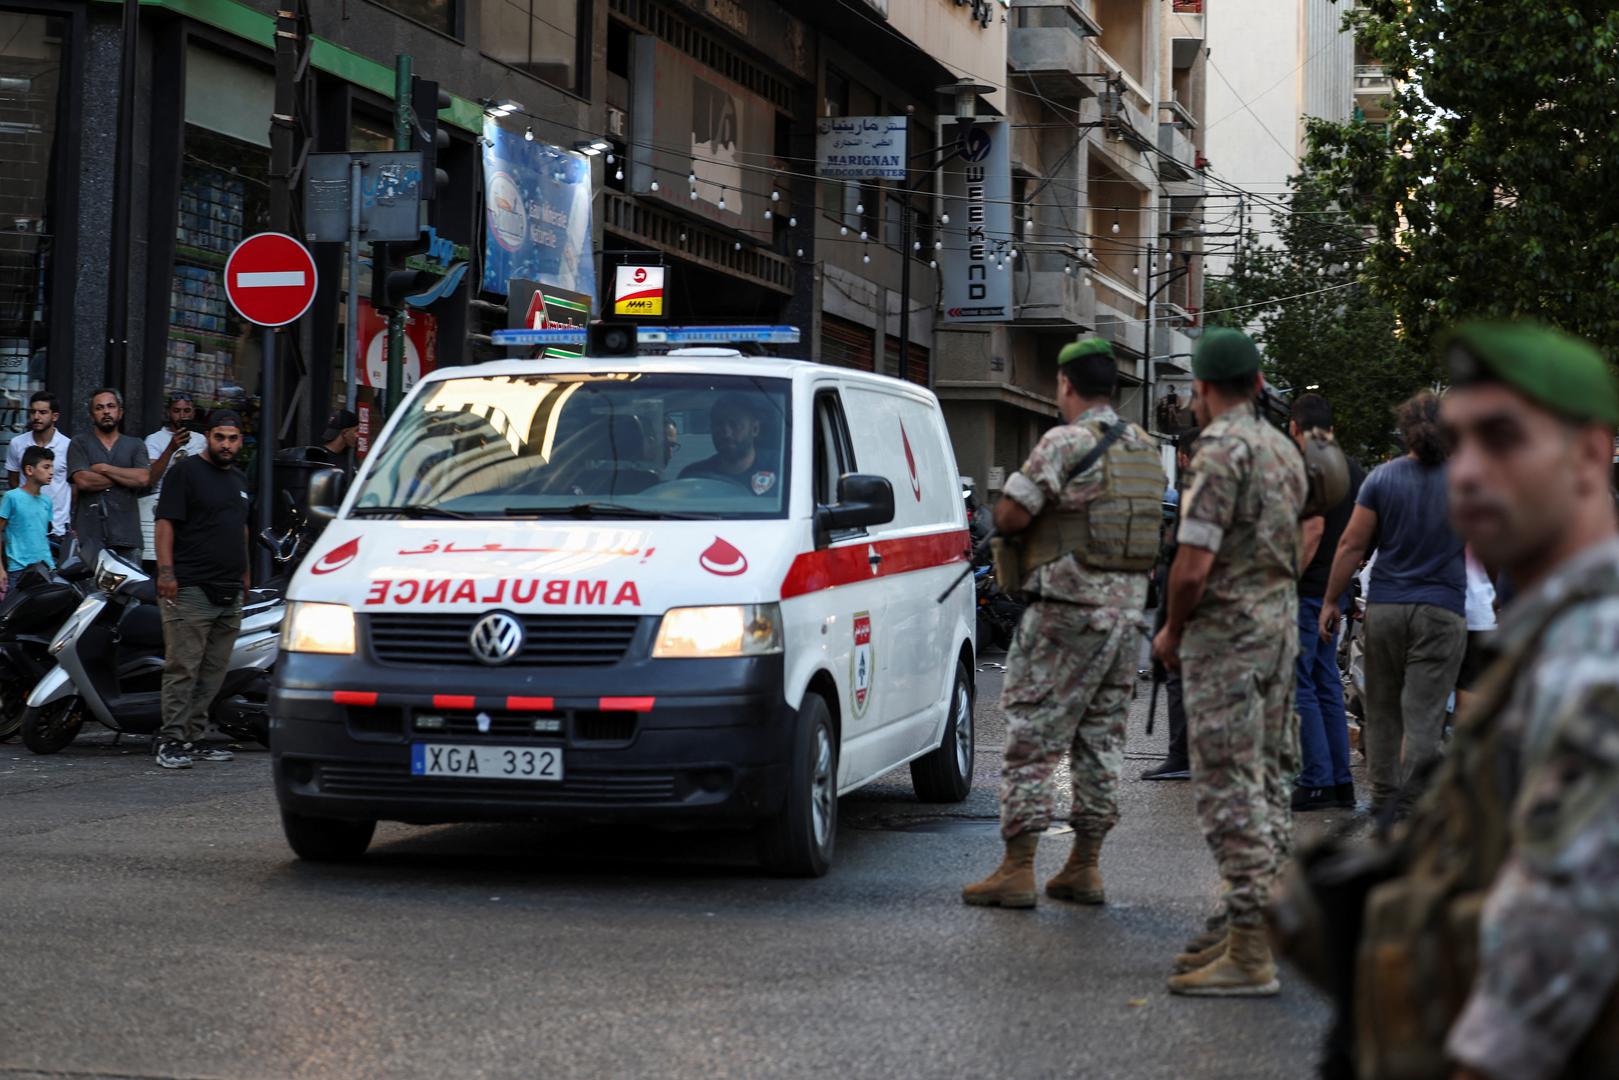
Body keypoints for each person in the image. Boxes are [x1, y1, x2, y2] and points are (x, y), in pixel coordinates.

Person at [1349, 321, 1619, 1079]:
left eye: (1502, 440)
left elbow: (1562, 938)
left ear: (1589, 454)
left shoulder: (1593, 655)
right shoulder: (1546, 633)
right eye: (1460, 443)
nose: (1467, 473)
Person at [962, 337, 1165, 909]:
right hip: (1126, 618)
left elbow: (1009, 514)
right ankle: (1085, 866)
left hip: (1065, 614)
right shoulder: (1145, 449)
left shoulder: (1063, 442)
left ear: (1066, 386)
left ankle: (1018, 868)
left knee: (1032, 735)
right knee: (1100, 740)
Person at [1151, 328, 1306, 996]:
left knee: (1226, 787)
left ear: (1206, 389)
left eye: (1192, 390)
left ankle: (1248, 952)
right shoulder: (1283, 449)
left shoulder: (1221, 449)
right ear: (1259, 383)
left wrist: (1172, 630)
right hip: (1276, 630)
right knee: (1267, 778)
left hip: (1229, 638)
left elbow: (1191, 565)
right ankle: (1254, 921)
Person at [1320, 391, 1467, 816]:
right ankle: (1414, 804)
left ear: (1406, 431)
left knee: (1382, 709)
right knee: (1424, 713)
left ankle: (1385, 798)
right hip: (1442, 610)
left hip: (1386, 608)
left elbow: (1352, 544)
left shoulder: (1382, 479)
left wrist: (1331, 600)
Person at [152, 410, 253, 771]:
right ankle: (171, 739)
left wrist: (245, 573)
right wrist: (166, 573)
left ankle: (194, 737)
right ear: (207, 437)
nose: (226, 444)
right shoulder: (185, 472)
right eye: (220, 437)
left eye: (233, 438)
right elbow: (165, 523)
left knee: (213, 672)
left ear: (241, 441)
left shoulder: (240, 480)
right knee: (183, 668)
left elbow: (240, 530)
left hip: (230, 590)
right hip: (190, 588)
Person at [1289, 393, 1366, 812]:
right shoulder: (1353, 469)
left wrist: (1288, 578)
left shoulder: (1310, 465)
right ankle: (1340, 783)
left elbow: (1312, 530)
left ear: (1295, 428)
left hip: (1307, 591)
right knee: (1325, 683)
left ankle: (1315, 780)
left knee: (1300, 683)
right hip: (1334, 592)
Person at [1140, 427, 1200, 782]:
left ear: (1182, 457)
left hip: (1192, 600)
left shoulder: (1194, 492)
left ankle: (1181, 755)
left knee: (1179, 678)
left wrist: (1172, 624)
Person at [66, 388, 151, 568]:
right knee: (90, 596)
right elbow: (84, 481)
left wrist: (103, 468)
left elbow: (143, 479)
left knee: (130, 595)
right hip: (90, 538)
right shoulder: (79, 443)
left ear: (120, 412)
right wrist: (126, 475)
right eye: (99, 408)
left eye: (111, 406)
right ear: (91, 415)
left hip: (127, 537)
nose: (106, 411)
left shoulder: (135, 445)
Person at [5, 391, 72, 556]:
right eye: (32, 412)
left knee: (54, 578)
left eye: (42, 412)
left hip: (56, 529)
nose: (36, 417)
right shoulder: (17, 443)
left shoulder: (68, 446)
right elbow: (13, 481)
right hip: (23, 528)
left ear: (54, 416)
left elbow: (74, 486)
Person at [680, 394, 779, 494]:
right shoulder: (694, 477)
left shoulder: (781, 467)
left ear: (755, 429)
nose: (726, 433)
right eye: (719, 424)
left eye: (735, 425)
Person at [0, 445, 57, 591]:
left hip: (46, 568)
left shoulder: (47, 501)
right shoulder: (11, 497)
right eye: (46, 467)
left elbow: (42, 535)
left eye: (52, 467)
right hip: (19, 569)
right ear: (29, 470)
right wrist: (0, 569)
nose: (51, 472)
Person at [144, 393, 208, 498]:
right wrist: (170, 448)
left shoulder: (201, 440)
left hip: (194, 498)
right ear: (168, 412)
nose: (182, 416)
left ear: (193, 413)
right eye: (176, 411)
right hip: (162, 496)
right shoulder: (154, 439)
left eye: (187, 411)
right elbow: (150, 479)